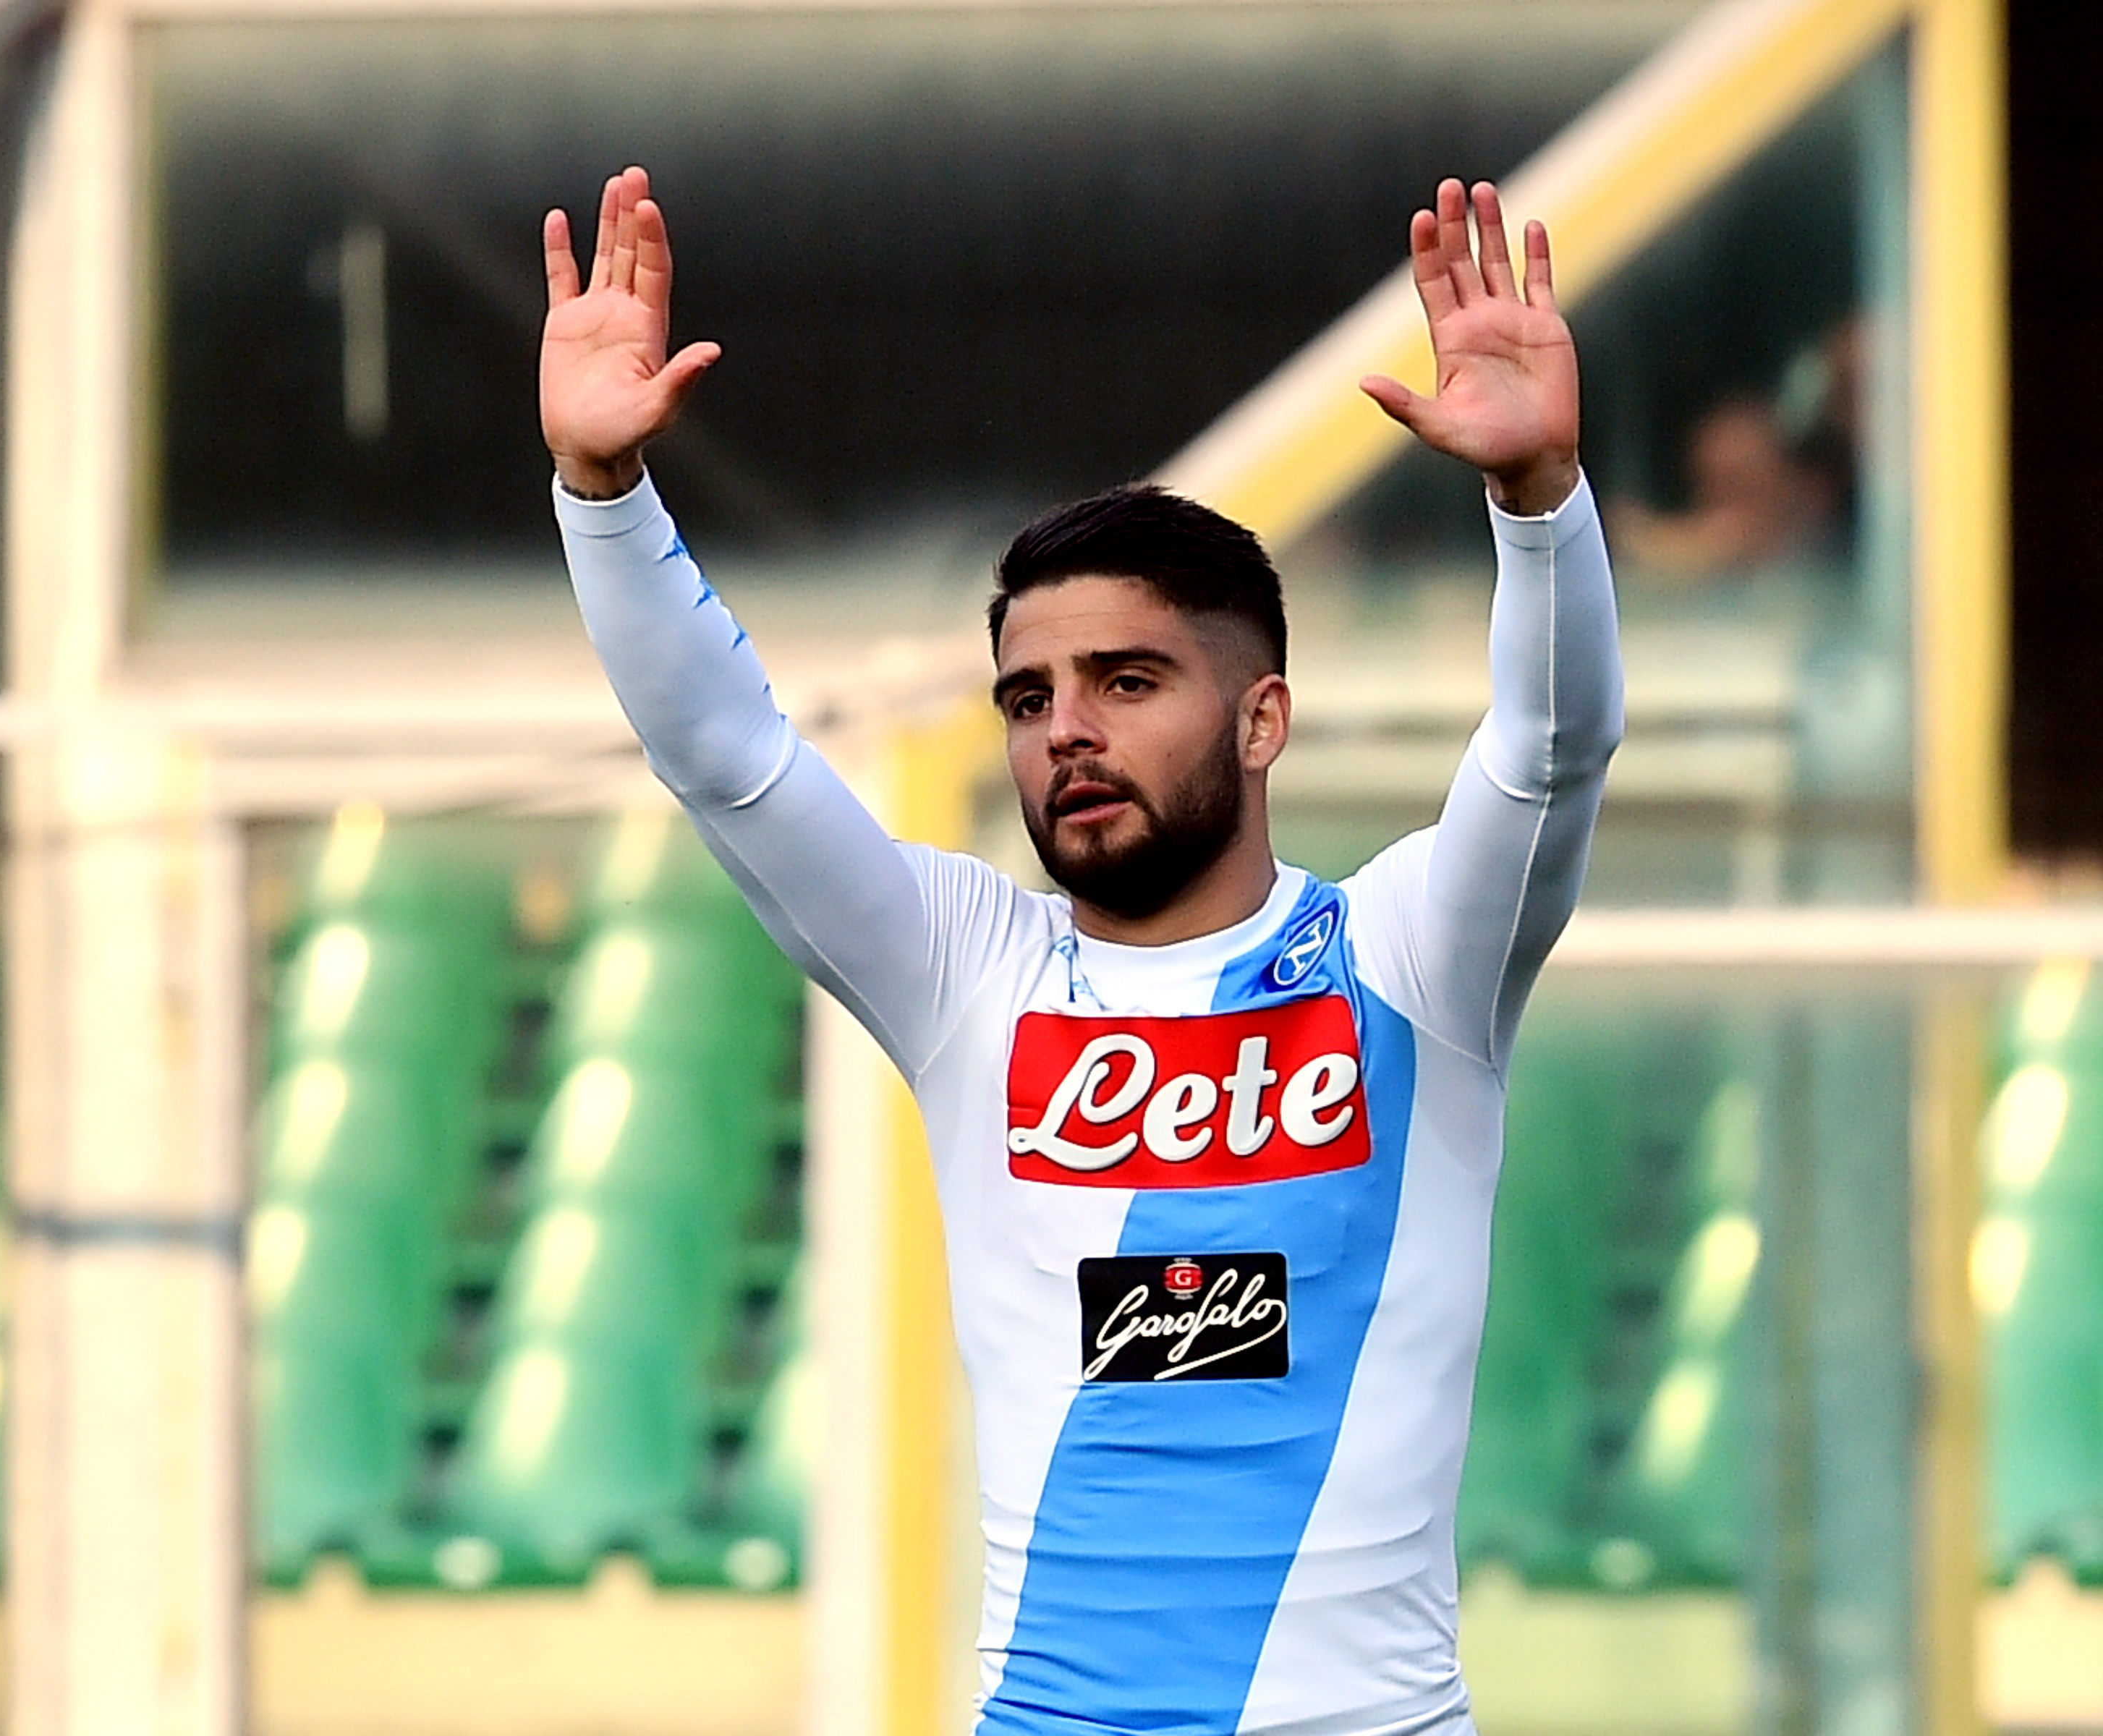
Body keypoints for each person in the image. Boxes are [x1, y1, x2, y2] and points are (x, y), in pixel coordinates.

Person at [540, 166, 1621, 1736]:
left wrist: (1539, 510)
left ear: (1263, 719)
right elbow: (725, 754)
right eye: (1032, 697)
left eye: (1126, 680)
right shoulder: (967, 970)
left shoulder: (1407, 959)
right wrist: (602, 494)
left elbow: (1551, 751)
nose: (1069, 732)